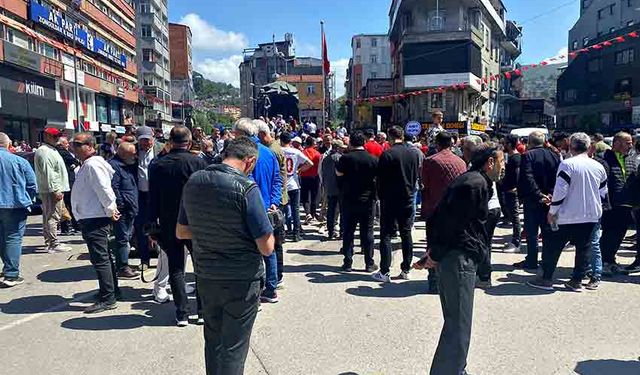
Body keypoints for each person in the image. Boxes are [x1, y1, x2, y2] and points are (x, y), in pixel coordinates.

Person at [176, 137, 274, 375]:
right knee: (234, 346)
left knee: (213, 340)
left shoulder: (194, 182)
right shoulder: (246, 187)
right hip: (241, 279)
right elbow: (267, 246)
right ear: (249, 162)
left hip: (207, 275)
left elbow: (181, 231)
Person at [415, 143, 504, 375]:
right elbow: (448, 223)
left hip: (459, 256)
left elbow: (440, 216)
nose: (503, 167)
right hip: (458, 258)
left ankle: (455, 369)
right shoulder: (473, 183)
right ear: (490, 162)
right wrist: (435, 254)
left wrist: (433, 252)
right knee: (458, 324)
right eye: (501, 162)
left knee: (456, 321)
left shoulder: (475, 181)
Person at [527, 133, 607, 291]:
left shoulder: (567, 164)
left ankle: (547, 278)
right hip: (591, 215)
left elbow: (560, 190)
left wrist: (552, 210)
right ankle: (576, 281)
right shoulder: (598, 166)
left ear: (571, 146)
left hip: (567, 214)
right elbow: (603, 192)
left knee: (553, 246)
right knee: (583, 249)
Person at [149, 126, 208, 326]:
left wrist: (151, 224)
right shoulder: (198, 162)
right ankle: (201, 311)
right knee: (200, 267)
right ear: (189, 142)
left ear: (170, 142)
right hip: (195, 221)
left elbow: (153, 197)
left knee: (175, 267)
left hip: (168, 221)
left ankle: (181, 312)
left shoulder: (157, 165)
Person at [232, 118, 282, 303]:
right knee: (269, 249)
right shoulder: (269, 153)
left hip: (248, 208)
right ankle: (271, 288)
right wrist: (275, 202)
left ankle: (253, 291)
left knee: (249, 250)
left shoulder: (241, 154)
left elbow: (244, 182)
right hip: (268, 207)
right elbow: (277, 180)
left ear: (240, 135)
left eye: (235, 135)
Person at [71, 133, 121, 314]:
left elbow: (104, 188)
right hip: (91, 215)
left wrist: (110, 209)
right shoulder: (89, 164)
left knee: (101, 259)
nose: (73, 147)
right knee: (104, 257)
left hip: (95, 217)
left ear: (90, 146)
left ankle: (108, 298)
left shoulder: (92, 164)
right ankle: (111, 291)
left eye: (78, 144)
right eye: (73, 144)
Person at [372, 126, 420, 283]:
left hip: (390, 199)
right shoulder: (414, 153)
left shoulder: (388, 154)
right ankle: (406, 268)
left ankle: (385, 271)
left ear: (391, 138)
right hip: (408, 197)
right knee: (406, 233)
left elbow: (380, 179)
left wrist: (379, 195)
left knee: (386, 234)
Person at [421, 132, 467, 293]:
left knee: (433, 245)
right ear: (452, 144)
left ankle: (433, 280)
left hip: (435, 209)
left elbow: (424, 184)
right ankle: (452, 279)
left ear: (437, 144)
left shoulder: (430, 161)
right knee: (453, 245)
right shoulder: (461, 162)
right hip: (455, 211)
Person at [513, 131, 561, 270]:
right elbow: (558, 177)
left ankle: (532, 260)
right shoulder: (554, 155)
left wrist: (539, 194)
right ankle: (546, 260)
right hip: (549, 199)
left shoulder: (528, 155)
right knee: (546, 232)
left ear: (530, 142)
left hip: (533, 199)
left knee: (532, 232)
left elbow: (527, 177)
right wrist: (551, 194)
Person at [336, 131, 378, 272]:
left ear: (350, 143)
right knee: (367, 232)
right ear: (364, 143)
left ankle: (348, 262)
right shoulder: (373, 159)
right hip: (367, 200)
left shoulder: (345, 159)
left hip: (349, 199)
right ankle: (369, 263)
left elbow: (339, 176)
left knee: (348, 231)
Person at [0, 133, 37, 287]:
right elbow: (32, 185)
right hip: (15, 204)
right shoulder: (19, 161)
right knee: (13, 237)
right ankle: (11, 274)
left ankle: (8, 268)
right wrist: (27, 199)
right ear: (9, 145)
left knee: (2, 238)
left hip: (11, 202)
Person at [256, 119, 288, 286]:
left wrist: (274, 201)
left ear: (261, 134)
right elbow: (278, 179)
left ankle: (274, 278)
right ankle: (275, 278)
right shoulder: (271, 150)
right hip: (275, 201)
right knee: (274, 243)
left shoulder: (270, 151)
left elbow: (276, 179)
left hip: (270, 203)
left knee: (272, 244)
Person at [600, 132, 635, 276]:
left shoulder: (631, 159)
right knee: (609, 234)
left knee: (619, 234)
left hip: (627, 204)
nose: (631, 145)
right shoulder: (604, 159)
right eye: (627, 142)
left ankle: (610, 260)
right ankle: (603, 262)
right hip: (611, 205)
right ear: (616, 143)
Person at [34, 127, 71, 253]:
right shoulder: (45, 151)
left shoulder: (50, 150)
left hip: (53, 188)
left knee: (49, 215)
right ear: (47, 136)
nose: (57, 139)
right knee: (53, 216)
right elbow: (49, 173)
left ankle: (50, 242)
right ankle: (53, 243)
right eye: (55, 136)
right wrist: (55, 190)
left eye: (58, 136)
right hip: (52, 189)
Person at [108, 142, 140, 279]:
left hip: (130, 208)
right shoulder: (115, 166)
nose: (135, 156)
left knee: (126, 237)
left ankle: (123, 263)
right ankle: (122, 267)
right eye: (132, 154)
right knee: (122, 239)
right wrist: (121, 205)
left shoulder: (127, 165)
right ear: (123, 153)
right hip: (123, 209)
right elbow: (114, 187)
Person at [134, 125, 162, 273]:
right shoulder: (132, 151)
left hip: (157, 194)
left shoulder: (162, 149)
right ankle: (144, 259)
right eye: (143, 141)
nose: (146, 143)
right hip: (140, 195)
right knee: (141, 227)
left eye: (148, 140)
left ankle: (163, 260)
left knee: (160, 226)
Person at [281, 132, 313, 242]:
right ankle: (296, 233)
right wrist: (299, 170)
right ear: (290, 141)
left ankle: (282, 233)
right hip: (293, 183)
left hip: (282, 184)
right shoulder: (295, 152)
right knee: (295, 209)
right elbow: (310, 163)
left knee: (281, 209)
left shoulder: (278, 151)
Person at [320, 139, 346, 240]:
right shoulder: (340, 158)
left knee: (330, 210)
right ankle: (342, 232)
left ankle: (330, 232)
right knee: (342, 211)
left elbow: (323, 173)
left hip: (329, 187)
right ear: (337, 148)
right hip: (339, 188)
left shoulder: (325, 159)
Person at [500, 134, 522, 252]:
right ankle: (514, 239)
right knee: (512, 216)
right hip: (508, 190)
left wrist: (515, 188)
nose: (503, 145)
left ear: (509, 144)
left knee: (515, 217)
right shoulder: (511, 157)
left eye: (505, 143)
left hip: (512, 192)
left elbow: (518, 175)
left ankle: (516, 243)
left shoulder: (516, 158)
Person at [56, 136, 81, 235]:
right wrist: (74, 165)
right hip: (67, 182)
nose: (68, 145)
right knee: (70, 205)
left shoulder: (54, 151)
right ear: (61, 144)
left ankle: (65, 227)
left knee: (63, 206)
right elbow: (75, 161)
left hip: (61, 182)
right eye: (66, 143)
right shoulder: (63, 152)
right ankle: (75, 226)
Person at [300, 137, 323, 223]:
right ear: (313, 144)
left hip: (304, 176)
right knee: (314, 196)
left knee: (305, 197)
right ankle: (313, 214)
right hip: (315, 176)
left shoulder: (303, 152)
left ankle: (307, 213)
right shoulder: (317, 154)